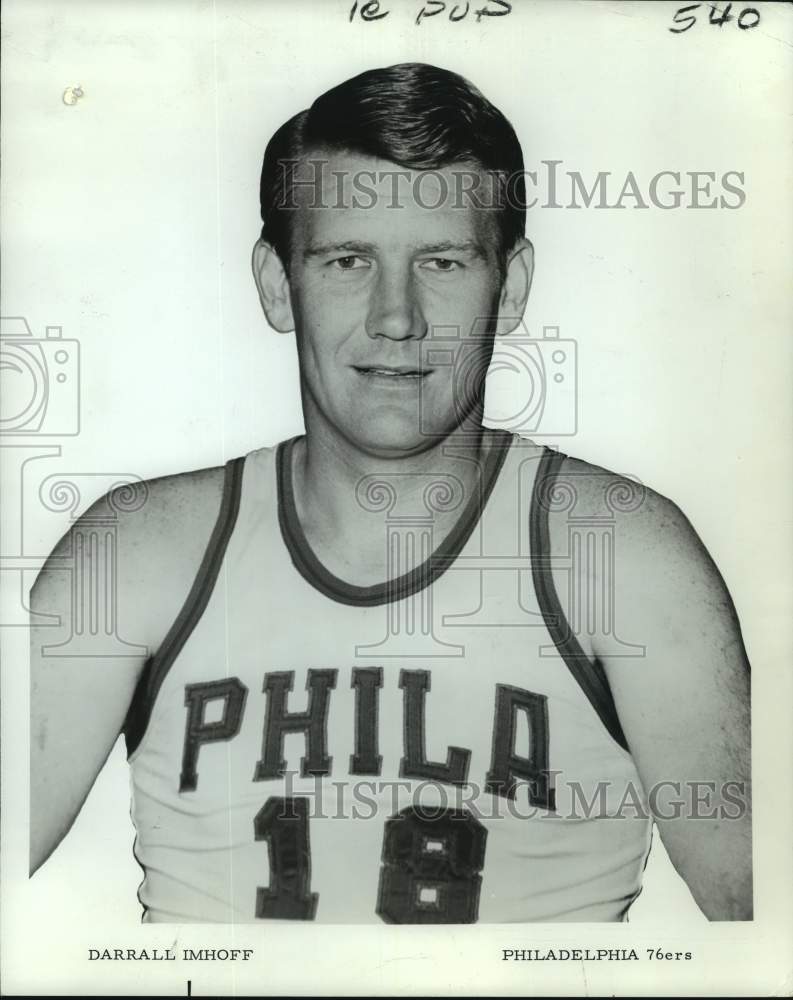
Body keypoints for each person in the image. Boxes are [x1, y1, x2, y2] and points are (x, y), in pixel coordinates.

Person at [29, 62, 751, 924]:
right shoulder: (136, 554)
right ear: (274, 283)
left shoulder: (625, 556)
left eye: (442, 261)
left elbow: (766, 930)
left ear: (510, 287)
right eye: (346, 259)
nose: (396, 317)